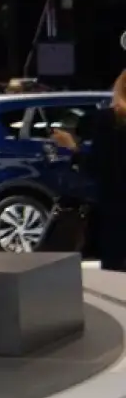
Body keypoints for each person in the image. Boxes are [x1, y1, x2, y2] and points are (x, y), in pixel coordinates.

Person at [53, 73, 126, 271]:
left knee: (116, 278)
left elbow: (96, 166)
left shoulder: (110, 120)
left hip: (116, 214)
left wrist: (72, 149)